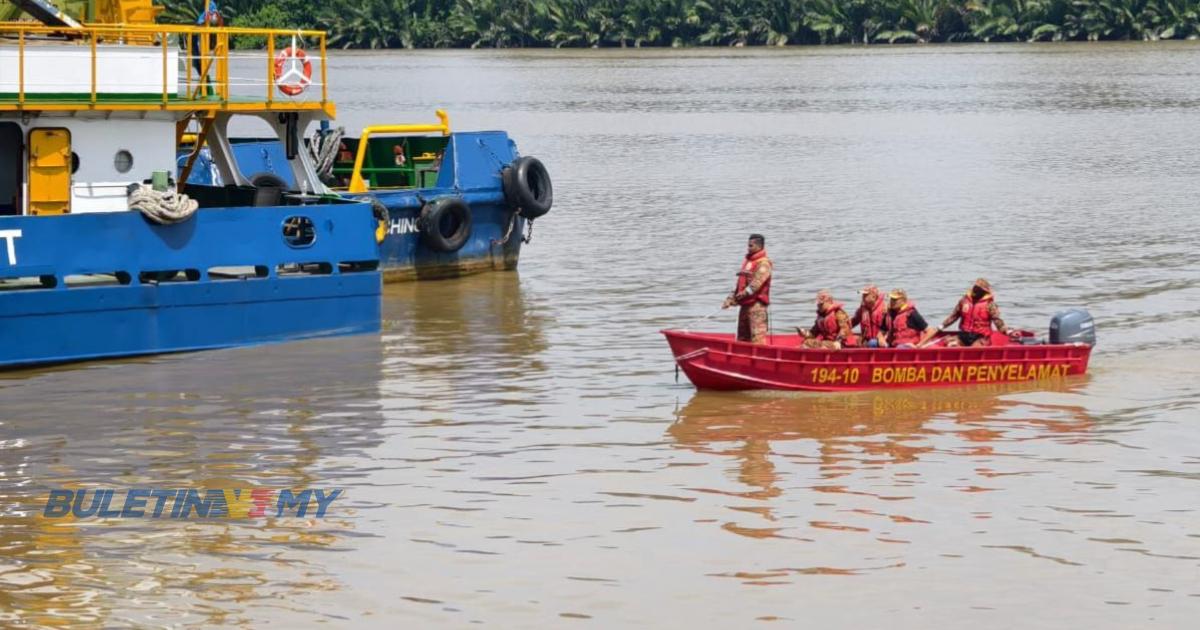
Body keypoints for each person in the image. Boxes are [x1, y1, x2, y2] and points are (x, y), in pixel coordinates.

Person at [722, 234, 772, 345]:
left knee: (757, 340)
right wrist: (730, 299)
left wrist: (741, 295)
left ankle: (760, 360)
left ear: (759, 246)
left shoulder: (764, 263)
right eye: (748, 245)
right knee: (743, 339)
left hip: (756, 307)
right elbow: (739, 284)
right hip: (745, 305)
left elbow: (756, 284)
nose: (748, 248)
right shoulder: (748, 262)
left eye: (751, 246)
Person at [938, 277, 1010, 347]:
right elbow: (954, 316)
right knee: (950, 344)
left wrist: (1007, 331)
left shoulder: (990, 305)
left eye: (979, 289)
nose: (976, 290)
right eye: (975, 288)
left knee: (975, 349)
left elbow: (997, 321)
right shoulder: (964, 301)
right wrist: (942, 326)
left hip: (981, 337)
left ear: (985, 292)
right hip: (964, 335)